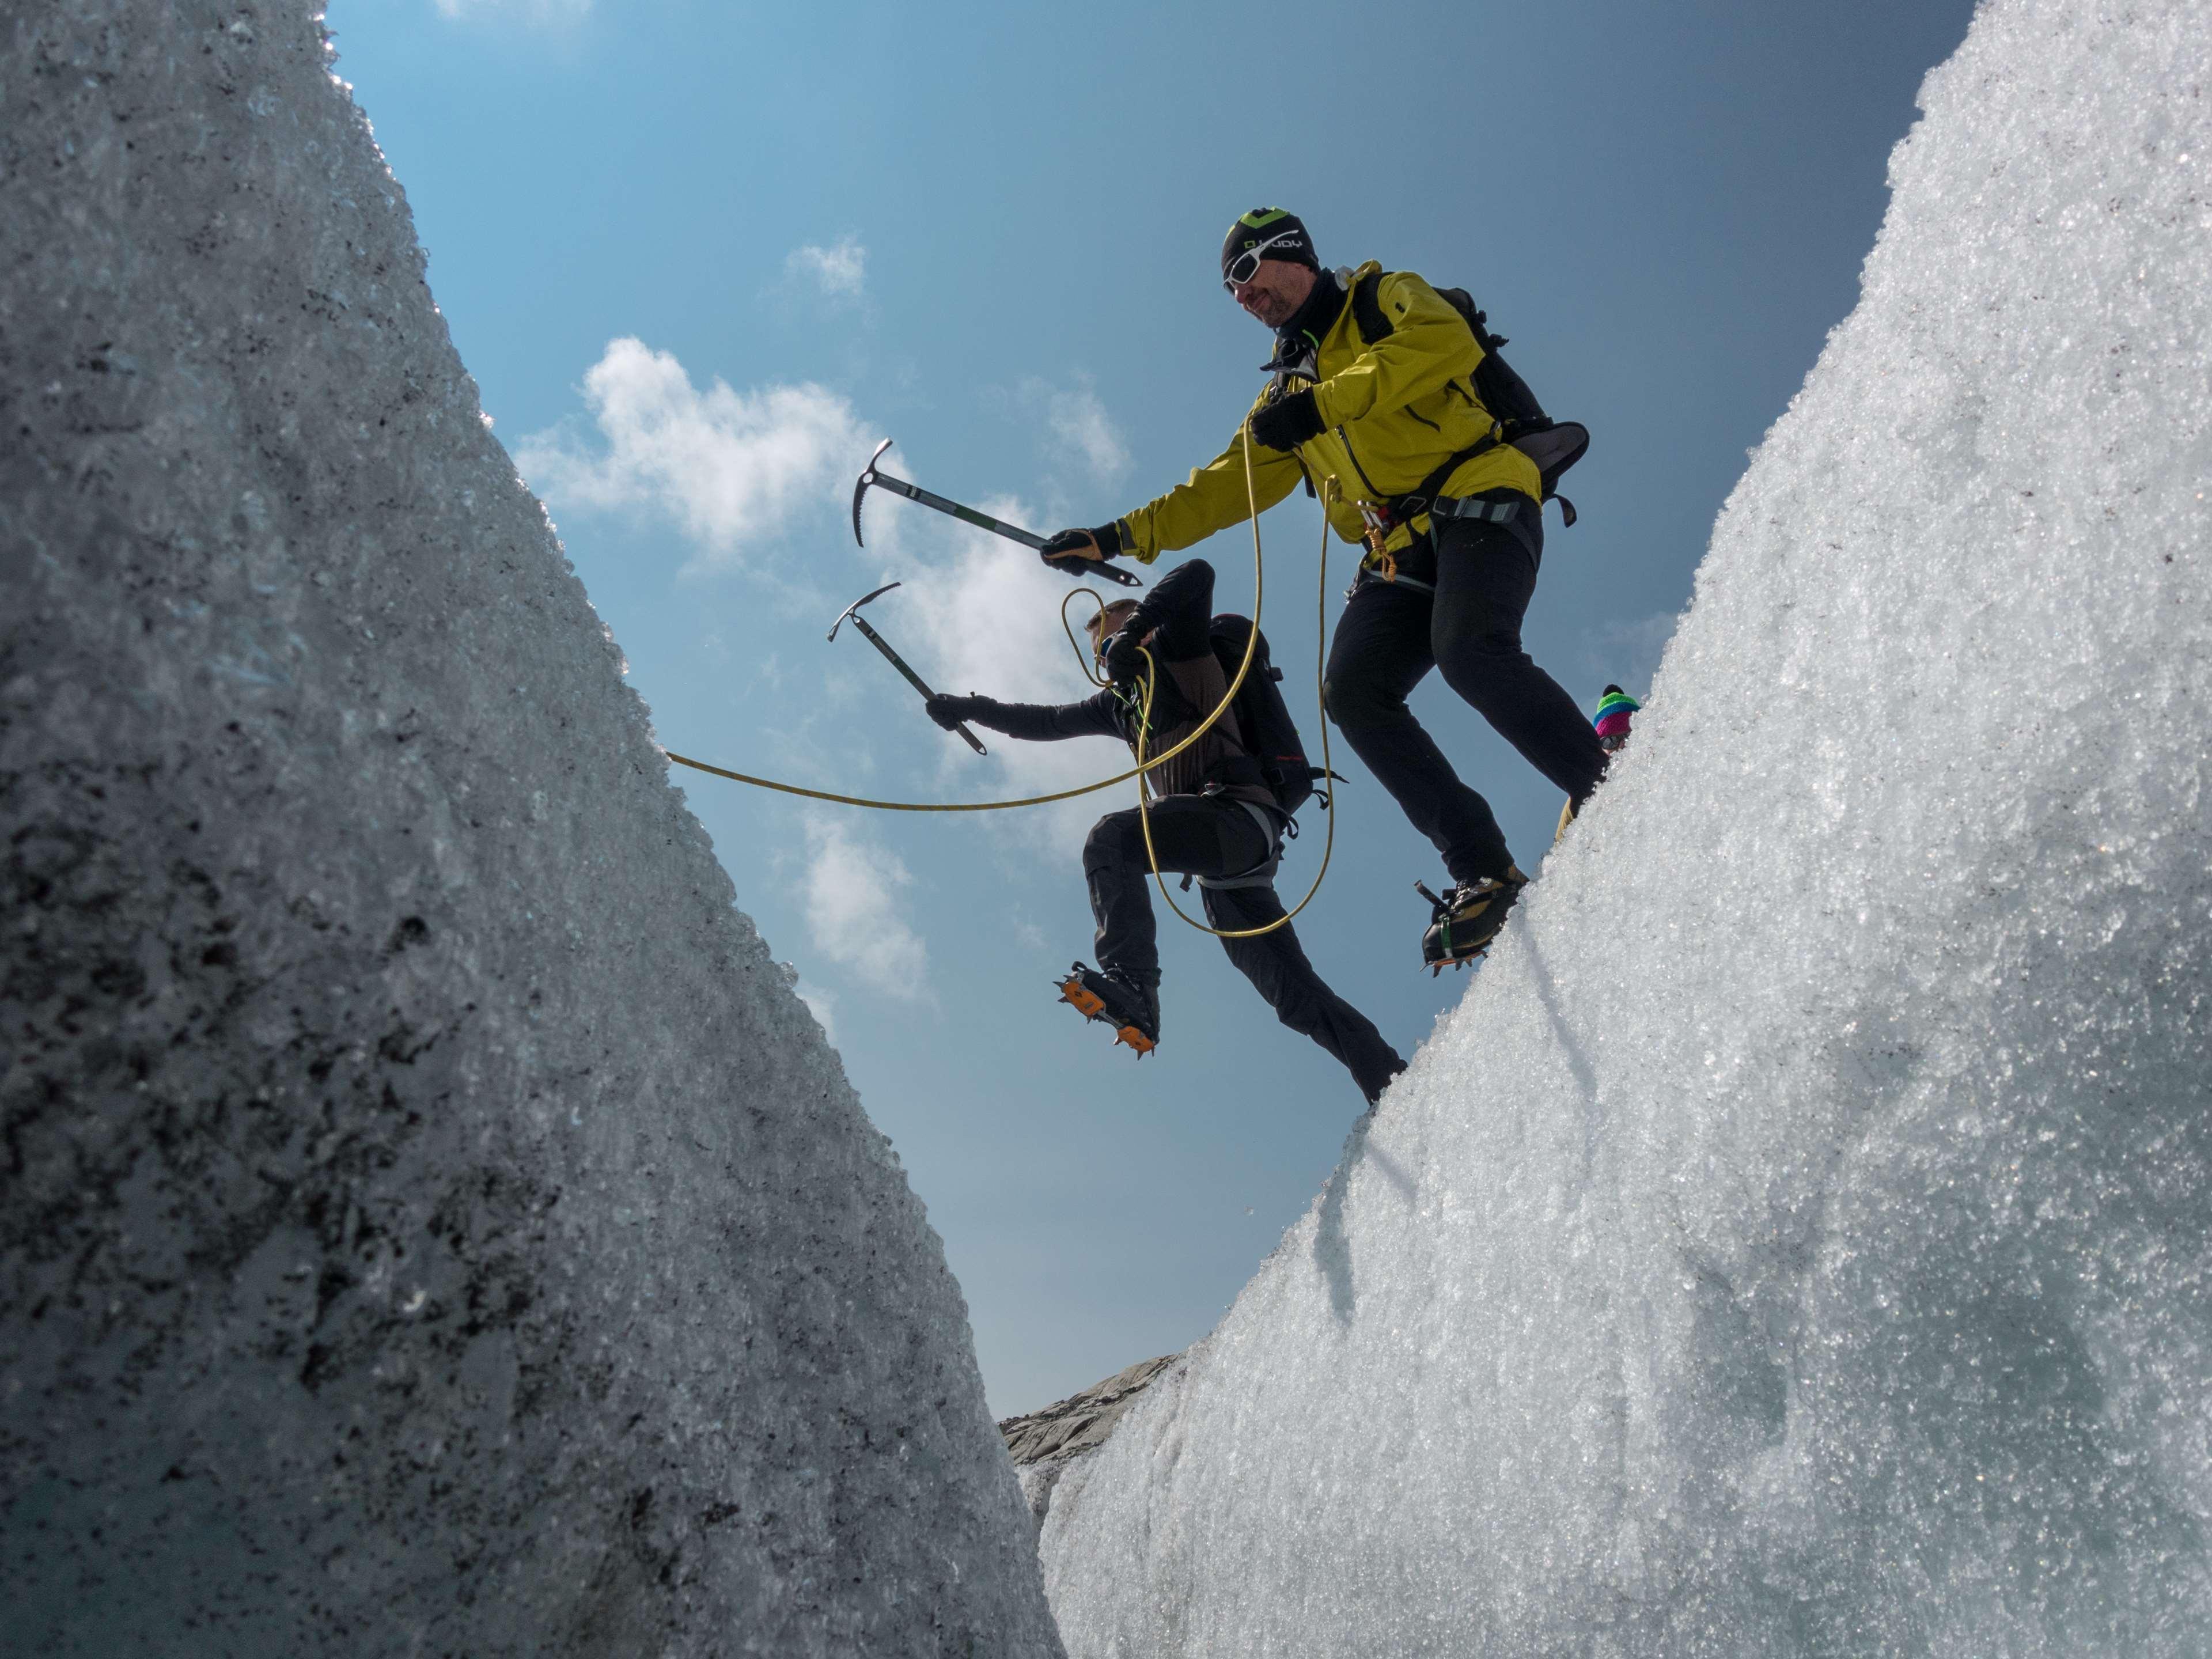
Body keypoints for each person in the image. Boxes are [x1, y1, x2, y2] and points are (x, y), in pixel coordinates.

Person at [1035, 207, 1607, 969]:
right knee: (1353, 694)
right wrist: (1115, 536)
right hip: (1396, 549)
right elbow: (1221, 486)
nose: (1240, 297)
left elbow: (1443, 342)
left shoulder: (1384, 298)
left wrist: (1324, 403)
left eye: (1245, 273)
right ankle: (1482, 868)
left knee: (1470, 651)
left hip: (1480, 490)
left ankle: (1603, 784)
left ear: (1291, 255)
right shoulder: (1285, 395)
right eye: (1228, 289)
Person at [923, 556, 1406, 1105]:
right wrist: (968, 707)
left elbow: (1199, 572)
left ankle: (1134, 985)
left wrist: (1136, 632)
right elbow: (1045, 721)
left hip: (1235, 819)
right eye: (1101, 652)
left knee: (1111, 839)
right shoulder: (1121, 706)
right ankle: (1392, 1082)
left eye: (1114, 643)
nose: (1109, 658)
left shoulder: (1181, 651)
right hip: (1226, 871)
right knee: (1293, 996)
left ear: (1144, 631)